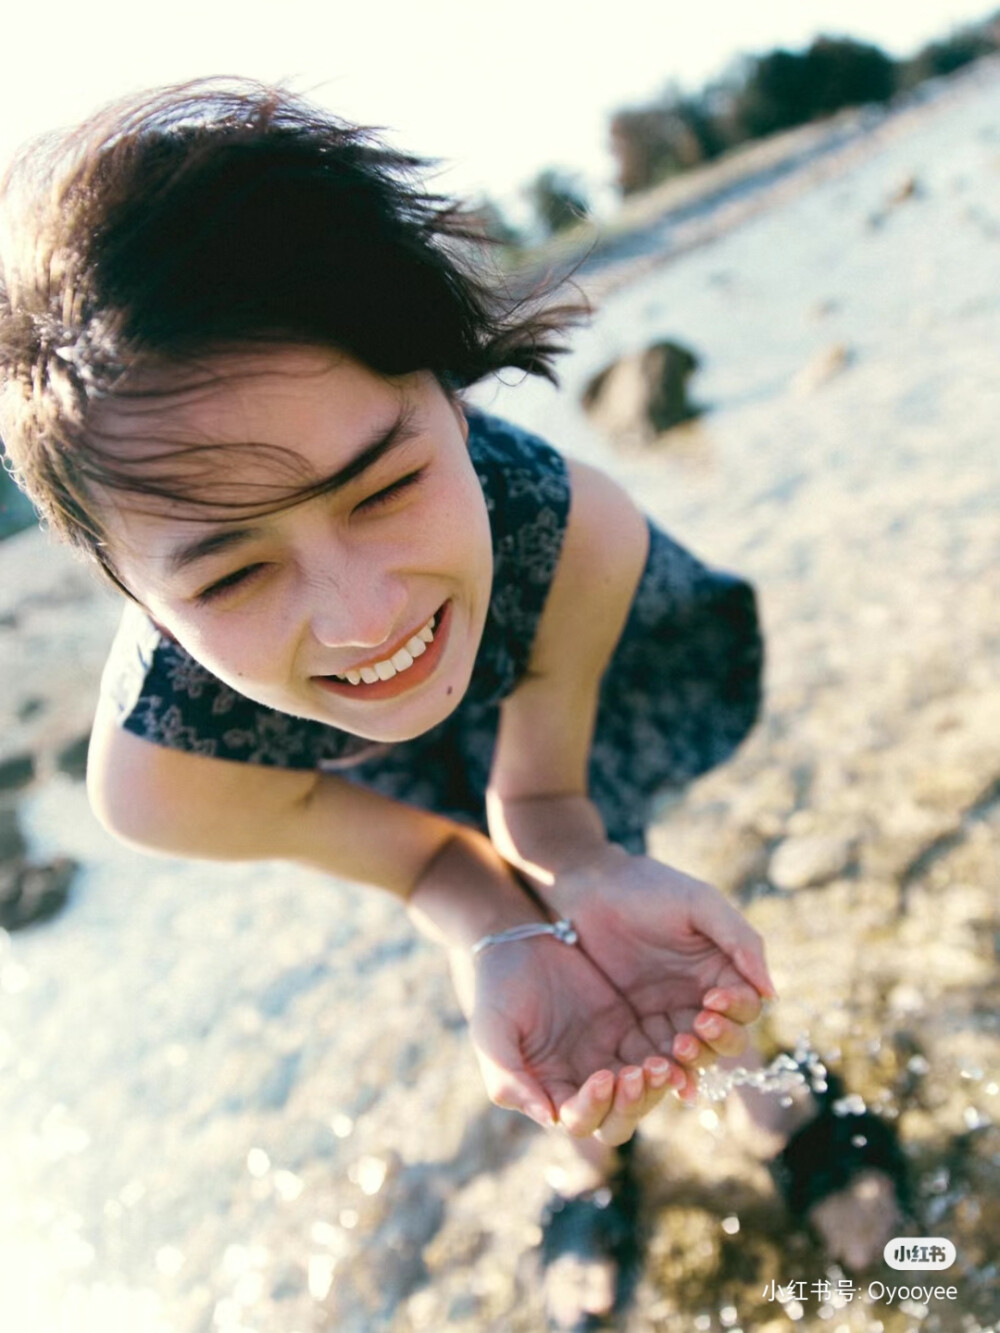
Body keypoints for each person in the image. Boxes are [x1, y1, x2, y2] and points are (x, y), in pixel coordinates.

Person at [0, 80, 902, 1329]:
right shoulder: (165, 777)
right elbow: (433, 868)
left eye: (381, 487)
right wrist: (505, 940)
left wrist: (578, 869)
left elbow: (541, 795)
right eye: (235, 568)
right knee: (527, 982)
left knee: (633, 892)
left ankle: (770, 1095)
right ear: (127, 589)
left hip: (527, 649)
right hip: (319, 756)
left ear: (449, 386)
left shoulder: (570, 526)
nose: (367, 617)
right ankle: (585, 1149)